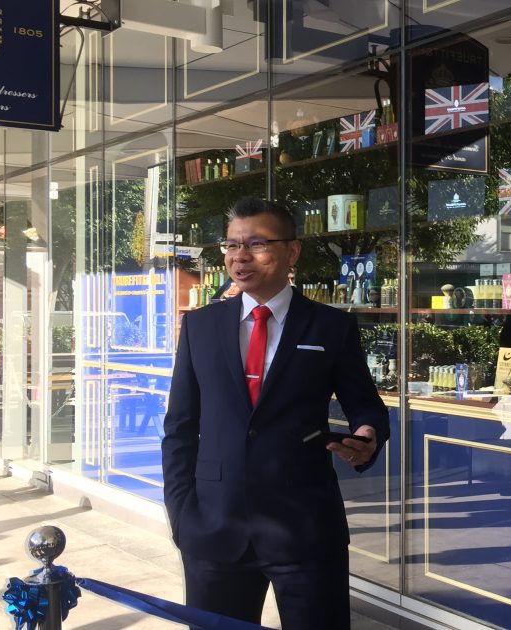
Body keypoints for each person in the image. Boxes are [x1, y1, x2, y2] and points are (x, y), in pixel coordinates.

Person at [161, 197, 390, 629]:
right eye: (231, 246)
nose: (239, 256)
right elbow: (180, 428)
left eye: (256, 244)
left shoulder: (330, 327)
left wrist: (367, 434)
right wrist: (182, 517)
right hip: (214, 529)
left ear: (292, 251)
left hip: (304, 529)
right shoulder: (200, 327)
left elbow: (365, 403)